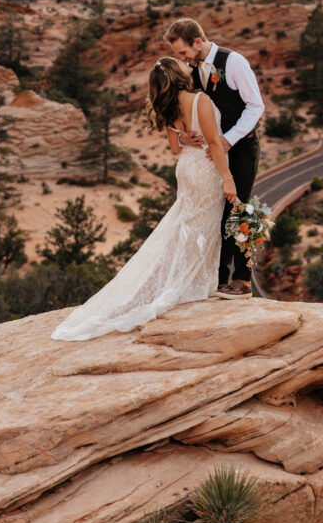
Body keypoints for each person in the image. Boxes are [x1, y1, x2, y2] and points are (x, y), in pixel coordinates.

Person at [51, 58, 235, 340]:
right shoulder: (200, 100)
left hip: (186, 168)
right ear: (177, 74)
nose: (186, 64)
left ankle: (186, 282)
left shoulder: (171, 106)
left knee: (185, 225)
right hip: (205, 170)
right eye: (180, 63)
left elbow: (176, 146)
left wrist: (185, 137)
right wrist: (228, 179)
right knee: (203, 226)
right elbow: (213, 143)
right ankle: (190, 286)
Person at [164, 18, 264, 299]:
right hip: (210, 153)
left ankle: (242, 281)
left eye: (183, 52)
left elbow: (256, 106)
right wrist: (185, 140)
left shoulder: (234, 63)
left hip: (242, 146)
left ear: (197, 42)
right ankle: (217, 279)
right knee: (215, 213)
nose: (181, 59)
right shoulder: (190, 71)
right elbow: (180, 116)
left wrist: (228, 139)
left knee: (240, 210)